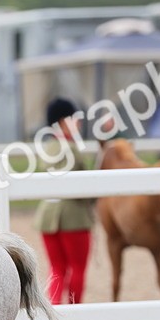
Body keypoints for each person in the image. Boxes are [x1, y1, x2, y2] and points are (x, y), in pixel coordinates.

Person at [33, 97, 94, 304]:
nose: (78, 123)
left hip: (47, 215)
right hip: (73, 216)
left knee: (57, 268)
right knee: (78, 267)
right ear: (61, 122)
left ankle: (55, 308)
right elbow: (85, 187)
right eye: (73, 119)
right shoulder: (73, 149)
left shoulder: (47, 148)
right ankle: (74, 310)